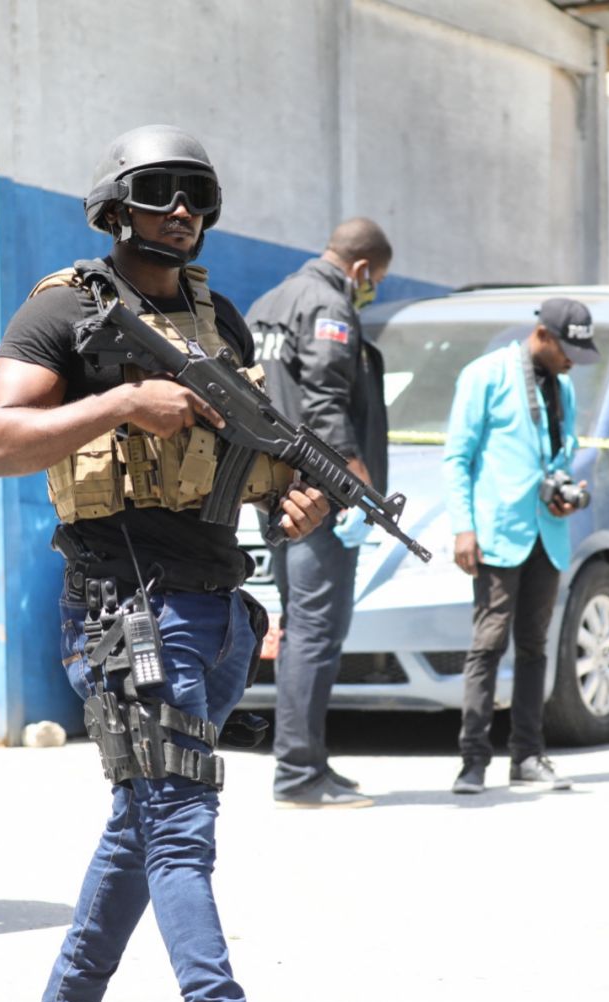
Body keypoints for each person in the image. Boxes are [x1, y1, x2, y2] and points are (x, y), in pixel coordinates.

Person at [0, 125, 328, 1002]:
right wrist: (122, 404)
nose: (182, 211)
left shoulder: (224, 327)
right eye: (162, 191)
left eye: (198, 195)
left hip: (216, 607)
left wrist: (289, 500)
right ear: (115, 204)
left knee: (144, 824)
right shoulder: (63, 312)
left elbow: (238, 472)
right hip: (123, 608)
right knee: (178, 827)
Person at [246, 218, 392, 809]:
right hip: (319, 496)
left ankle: (310, 762)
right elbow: (325, 398)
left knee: (301, 626)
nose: (369, 289)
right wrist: (353, 476)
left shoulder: (268, 302)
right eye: (373, 281)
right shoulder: (329, 303)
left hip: (274, 488)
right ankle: (301, 775)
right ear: (361, 269)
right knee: (316, 630)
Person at [443, 298, 596, 794]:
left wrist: (563, 491)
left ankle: (529, 755)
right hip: (495, 533)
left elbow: (562, 451)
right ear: (544, 336)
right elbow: (457, 458)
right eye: (569, 348)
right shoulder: (484, 375)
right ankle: (472, 760)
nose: (574, 359)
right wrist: (463, 528)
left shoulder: (563, 386)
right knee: (487, 646)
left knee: (534, 647)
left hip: (546, 533)